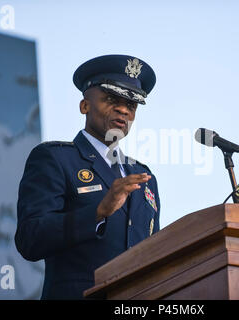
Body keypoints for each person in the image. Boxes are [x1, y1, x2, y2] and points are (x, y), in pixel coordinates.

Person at [15, 55, 160, 300]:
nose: (124, 109)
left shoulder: (144, 177)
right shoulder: (55, 159)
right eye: (112, 99)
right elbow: (30, 239)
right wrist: (98, 212)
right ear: (85, 106)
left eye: (131, 105)